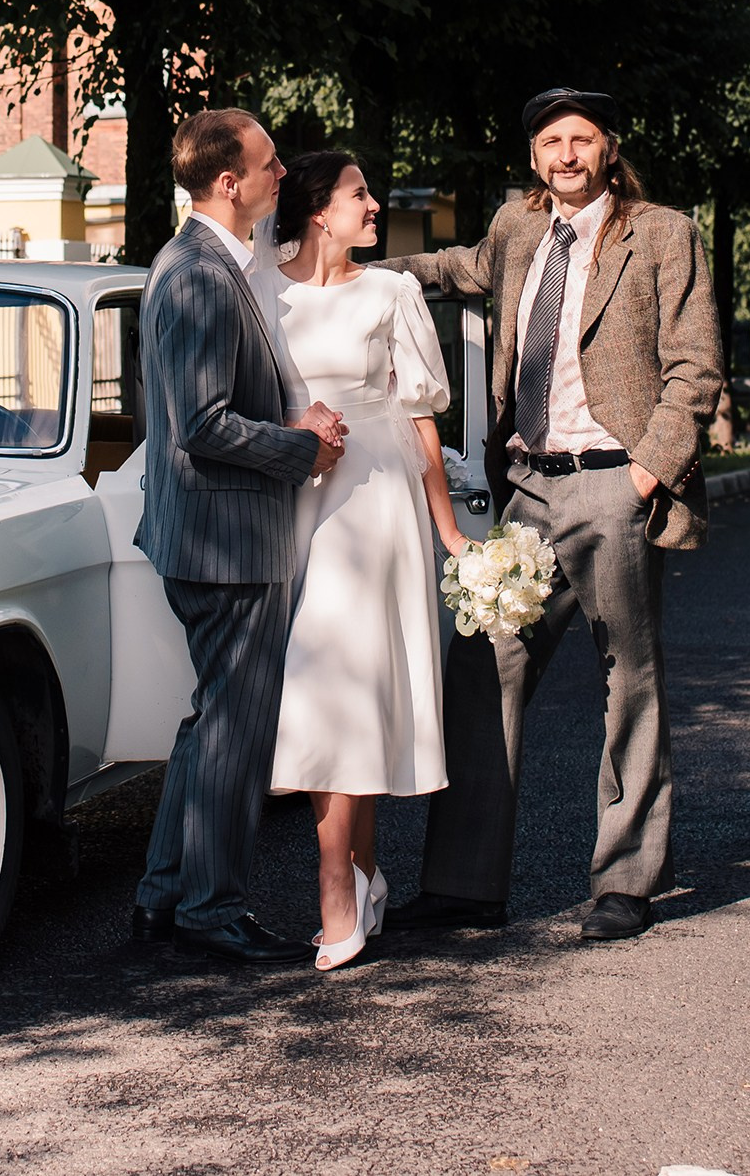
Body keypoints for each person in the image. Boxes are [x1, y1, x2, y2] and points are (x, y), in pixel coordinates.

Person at [382, 88, 722, 942]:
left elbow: (696, 367)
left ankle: (626, 881)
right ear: (533, 156)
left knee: (629, 680)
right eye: (550, 142)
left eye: (581, 139)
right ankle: (463, 887)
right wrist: (352, 272)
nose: (566, 154)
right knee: (483, 664)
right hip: (528, 489)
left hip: (613, 483)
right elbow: (457, 268)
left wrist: (644, 474)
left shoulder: (664, 233)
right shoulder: (519, 227)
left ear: (609, 148)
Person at [131, 108, 350, 966]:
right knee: (236, 729)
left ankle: (163, 898)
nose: (282, 174)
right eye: (269, 164)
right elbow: (203, 423)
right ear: (229, 182)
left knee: (211, 720)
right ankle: (210, 911)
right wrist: (304, 448)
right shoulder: (198, 273)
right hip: (225, 536)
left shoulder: (209, 262)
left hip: (210, 528)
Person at [262, 152, 471, 971]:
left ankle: (334, 891)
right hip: (292, 499)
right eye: (360, 194)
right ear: (319, 209)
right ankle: (367, 871)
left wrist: (448, 530)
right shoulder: (263, 290)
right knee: (340, 685)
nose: (375, 204)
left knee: (341, 682)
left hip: (374, 500)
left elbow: (419, 417)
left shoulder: (391, 292)